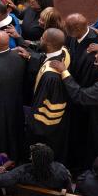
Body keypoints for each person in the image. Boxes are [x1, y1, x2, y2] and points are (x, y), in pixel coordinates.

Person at [24, 29, 72, 162]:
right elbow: (45, 58)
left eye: (43, 38)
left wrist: (34, 127)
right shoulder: (63, 52)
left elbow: (48, 109)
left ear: (50, 45)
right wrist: (30, 56)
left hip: (47, 129)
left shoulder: (52, 76)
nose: (40, 39)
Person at [0, 143, 72, 192]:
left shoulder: (23, 171)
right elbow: (68, 191)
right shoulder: (61, 170)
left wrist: (3, 167)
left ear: (33, 160)